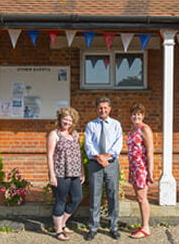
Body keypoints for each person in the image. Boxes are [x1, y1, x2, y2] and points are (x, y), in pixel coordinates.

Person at [84, 97, 123, 240]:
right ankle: (93, 227)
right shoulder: (91, 125)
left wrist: (107, 157)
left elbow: (118, 143)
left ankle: (114, 227)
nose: (103, 110)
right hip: (95, 163)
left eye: (105, 108)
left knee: (113, 195)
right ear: (96, 109)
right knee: (95, 196)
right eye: (100, 108)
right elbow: (88, 144)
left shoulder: (116, 125)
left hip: (111, 164)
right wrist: (99, 157)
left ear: (110, 109)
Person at [46, 107, 85, 241]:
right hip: (60, 173)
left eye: (70, 120)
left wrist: (82, 172)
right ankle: (58, 230)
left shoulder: (75, 134)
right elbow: (50, 156)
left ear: (73, 122)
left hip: (75, 173)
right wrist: (52, 175)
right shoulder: (54, 134)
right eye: (65, 119)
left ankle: (62, 224)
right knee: (61, 200)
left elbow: (78, 154)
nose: (67, 122)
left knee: (77, 198)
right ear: (60, 119)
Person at [127, 103, 154, 239]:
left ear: (142, 116)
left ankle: (145, 228)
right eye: (134, 114)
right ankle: (143, 224)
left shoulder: (145, 129)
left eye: (138, 114)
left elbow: (149, 151)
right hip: (133, 167)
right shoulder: (132, 129)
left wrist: (150, 170)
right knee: (139, 197)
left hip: (141, 168)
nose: (136, 117)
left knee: (142, 197)